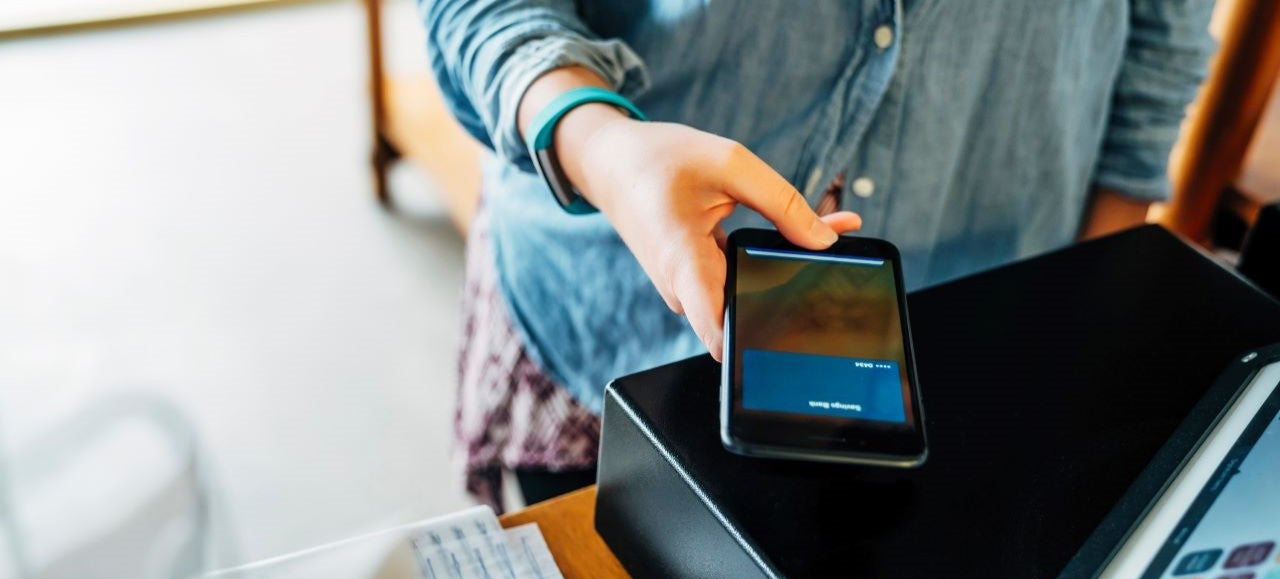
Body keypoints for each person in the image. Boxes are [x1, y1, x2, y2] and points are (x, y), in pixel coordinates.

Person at [423, 0, 1216, 510]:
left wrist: (1079, 313)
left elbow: (1161, 42)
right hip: (609, 308)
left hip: (973, 341)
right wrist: (599, 141)